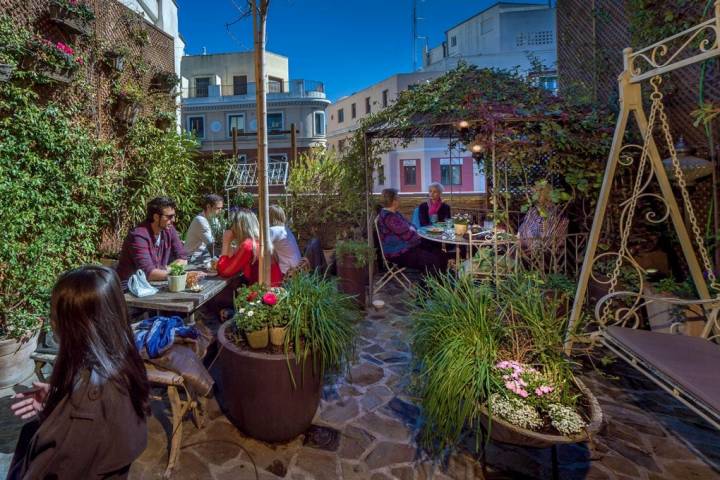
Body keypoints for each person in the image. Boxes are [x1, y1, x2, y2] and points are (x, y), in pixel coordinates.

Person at [7, 266, 149, 479]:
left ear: (72, 327)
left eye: (54, 314)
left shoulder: (84, 415)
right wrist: (61, 401)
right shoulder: (125, 368)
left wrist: (71, 409)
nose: (50, 321)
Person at [377, 188, 447, 275]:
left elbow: (411, 226)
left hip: (407, 246)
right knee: (433, 260)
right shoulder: (389, 218)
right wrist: (416, 235)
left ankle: (442, 283)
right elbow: (408, 235)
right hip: (397, 252)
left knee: (441, 254)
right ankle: (426, 287)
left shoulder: (395, 213)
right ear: (394, 201)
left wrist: (413, 232)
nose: (399, 198)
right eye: (398, 196)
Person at [116, 197, 187, 281]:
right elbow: (149, 274)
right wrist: (180, 276)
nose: (173, 220)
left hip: (152, 285)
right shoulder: (138, 236)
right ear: (156, 217)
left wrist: (167, 270)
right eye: (169, 217)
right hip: (130, 288)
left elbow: (183, 258)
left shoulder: (169, 230)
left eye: (174, 216)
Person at [216, 209, 283, 286]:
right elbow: (232, 263)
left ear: (239, 226)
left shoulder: (248, 245)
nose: (231, 228)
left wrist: (225, 242)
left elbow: (224, 271)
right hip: (274, 290)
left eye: (233, 225)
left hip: (263, 293)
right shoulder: (261, 241)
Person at [185, 194, 224, 263]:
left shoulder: (215, 219)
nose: (221, 211)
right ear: (208, 207)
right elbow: (211, 243)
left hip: (204, 254)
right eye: (218, 208)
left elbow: (221, 238)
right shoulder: (200, 220)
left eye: (221, 208)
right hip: (192, 257)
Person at [269, 204, 302, 275]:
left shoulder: (273, 231)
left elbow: (262, 246)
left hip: (287, 271)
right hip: (297, 267)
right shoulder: (286, 230)